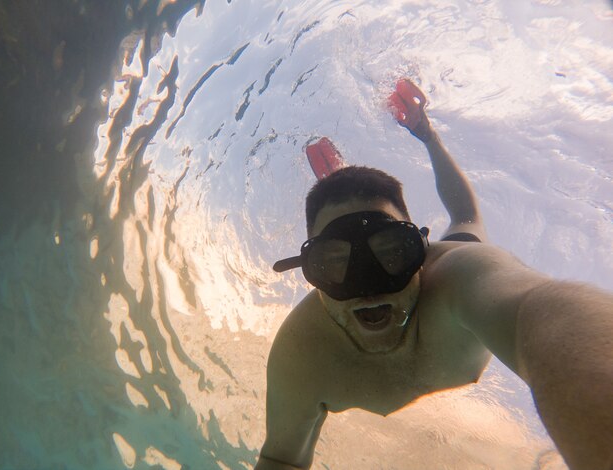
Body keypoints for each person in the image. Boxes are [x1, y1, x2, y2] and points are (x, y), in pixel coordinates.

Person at [255, 80, 613, 470]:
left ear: (420, 251)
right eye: (336, 262)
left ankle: (423, 137)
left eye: (391, 252)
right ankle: (348, 193)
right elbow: (281, 459)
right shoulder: (304, 352)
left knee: (466, 221)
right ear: (312, 272)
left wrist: (425, 135)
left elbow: (546, 313)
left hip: (448, 261)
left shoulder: (462, 276)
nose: (368, 287)